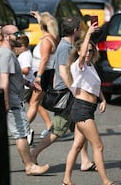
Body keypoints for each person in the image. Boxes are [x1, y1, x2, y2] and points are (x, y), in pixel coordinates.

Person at [0, 25, 50, 176]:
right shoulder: (6, 54)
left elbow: (10, 74)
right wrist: (6, 102)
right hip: (9, 99)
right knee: (21, 133)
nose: (19, 36)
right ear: (6, 36)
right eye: (16, 34)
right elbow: (5, 79)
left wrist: (29, 84)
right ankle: (30, 165)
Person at [31, 17, 97, 172]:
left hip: (70, 93)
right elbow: (62, 71)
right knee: (58, 130)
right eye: (80, 29)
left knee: (81, 127)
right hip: (66, 94)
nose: (81, 31)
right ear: (75, 31)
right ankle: (33, 154)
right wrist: (75, 90)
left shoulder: (68, 45)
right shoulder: (65, 47)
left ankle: (85, 160)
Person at [61, 23, 114, 185]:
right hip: (82, 109)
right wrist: (89, 33)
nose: (89, 53)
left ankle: (66, 180)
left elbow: (95, 86)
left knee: (77, 147)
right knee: (98, 146)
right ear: (78, 52)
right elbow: (83, 53)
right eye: (86, 51)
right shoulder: (79, 66)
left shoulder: (90, 67)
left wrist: (103, 99)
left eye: (92, 50)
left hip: (87, 109)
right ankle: (105, 181)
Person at [28, 11, 59, 139]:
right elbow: (46, 27)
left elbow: (44, 59)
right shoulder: (51, 36)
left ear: (42, 26)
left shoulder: (46, 41)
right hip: (46, 73)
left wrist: (38, 78)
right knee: (36, 103)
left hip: (43, 74)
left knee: (33, 103)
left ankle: (23, 130)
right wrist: (39, 17)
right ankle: (47, 126)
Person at [15, 35, 35, 145]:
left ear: (23, 46)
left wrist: (15, 69)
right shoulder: (24, 54)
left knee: (19, 109)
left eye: (17, 46)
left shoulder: (25, 55)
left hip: (25, 85)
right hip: (25, 85)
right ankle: (25, 130)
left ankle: (27, 131)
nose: (15, 48)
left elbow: (26, 70)